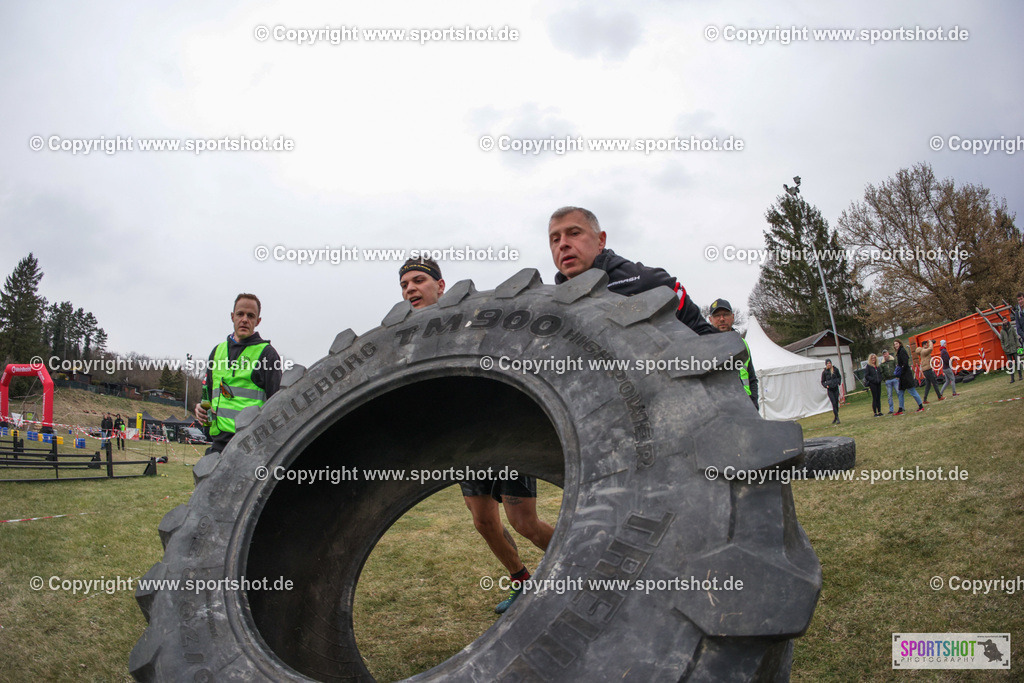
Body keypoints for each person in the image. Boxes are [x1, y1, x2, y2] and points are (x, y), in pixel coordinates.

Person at [399, 258, 554, 614]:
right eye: (405, 284)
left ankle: (582, 571)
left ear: (440, 286)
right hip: (463, 445)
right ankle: (522, 581)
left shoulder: (467, 319)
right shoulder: (408, 336)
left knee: (523, 521)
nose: (410, 289)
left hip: (500, 435)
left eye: (418, 280)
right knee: (484, 522)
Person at [548, 206, 715, 336]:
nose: (563, 244)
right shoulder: (549, 304)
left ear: (601, 240)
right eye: (555, 239)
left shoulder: (647, 282)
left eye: (574, 233)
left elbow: (706, 340)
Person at [194, 293, 282, 454]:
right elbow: (208, 396)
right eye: (240, 314)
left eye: (250, 316)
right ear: (232, 316)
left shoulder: (267, 354)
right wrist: (201, 409)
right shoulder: (217, 351)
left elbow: (277, 405)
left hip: (250, 447)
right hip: (218, 446)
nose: (244, 319)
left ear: (258, 321)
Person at [708, 298, 759, 408]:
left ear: (733, 317)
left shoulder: (743, 343)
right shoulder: (706, 346)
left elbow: (752, 377)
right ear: (710, 320)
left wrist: (754, 402)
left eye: (725, 314)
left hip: (747, 404)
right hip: (723, 407)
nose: (722, 319)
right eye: (717, 315)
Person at [893, 339, 924, 415]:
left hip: (906, 376)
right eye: (894, 344)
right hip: (903, 376)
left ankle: (921, 406)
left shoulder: (902, 351)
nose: (896, 345)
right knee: (900, 392)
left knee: (912, 391)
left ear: (900, 343)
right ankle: (900, 409)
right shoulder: (899, 352)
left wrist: (901, 371)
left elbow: (905, 363)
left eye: (897, 343)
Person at [918, 339, 944, 404]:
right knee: (934, 383)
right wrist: (930, 342)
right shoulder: (924, 351)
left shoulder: (922, 351)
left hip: (925, 370)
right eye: (926, 344)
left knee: (928, 385)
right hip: (928, 369)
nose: (927, 345)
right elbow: (930, 349)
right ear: (924, 345)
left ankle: (924, 399)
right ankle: (939, 396)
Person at [820, 360, 842, 424]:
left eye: (830, 363)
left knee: (836, 402)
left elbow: (839, 376)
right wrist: (826, 385)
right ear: (826, 365)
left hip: (835, 388)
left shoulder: (835, 370)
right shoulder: (824, 372)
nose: (829, 364)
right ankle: (837, 417)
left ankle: (835, 416)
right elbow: (822, 381)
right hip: (830, 390)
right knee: (833, 403)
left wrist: (838, 382)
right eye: (828, 363)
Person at [879, 349, 899, 415]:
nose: (885, 355)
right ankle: (891, 409)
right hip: (888, 380)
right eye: (884, 354)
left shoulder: (893, 360)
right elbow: (881, 372)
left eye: (886, 353)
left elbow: (897, 368)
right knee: (889, 395)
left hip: (895, 379)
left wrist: (897, 376)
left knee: (898, 393)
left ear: (888, 353)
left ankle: (901, 406)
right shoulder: (882, 364)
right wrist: (885, 379)